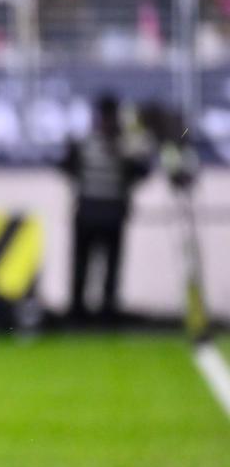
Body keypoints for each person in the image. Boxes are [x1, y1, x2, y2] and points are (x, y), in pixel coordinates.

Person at [61, 95, 150, 324]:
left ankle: (105, 312)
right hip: (93, 210)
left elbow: (142, 171)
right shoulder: (86, 143)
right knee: (84, 265)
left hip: (108, 211)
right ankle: (79, 312)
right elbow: (66, 166)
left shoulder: (123, 145)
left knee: (108, 266)